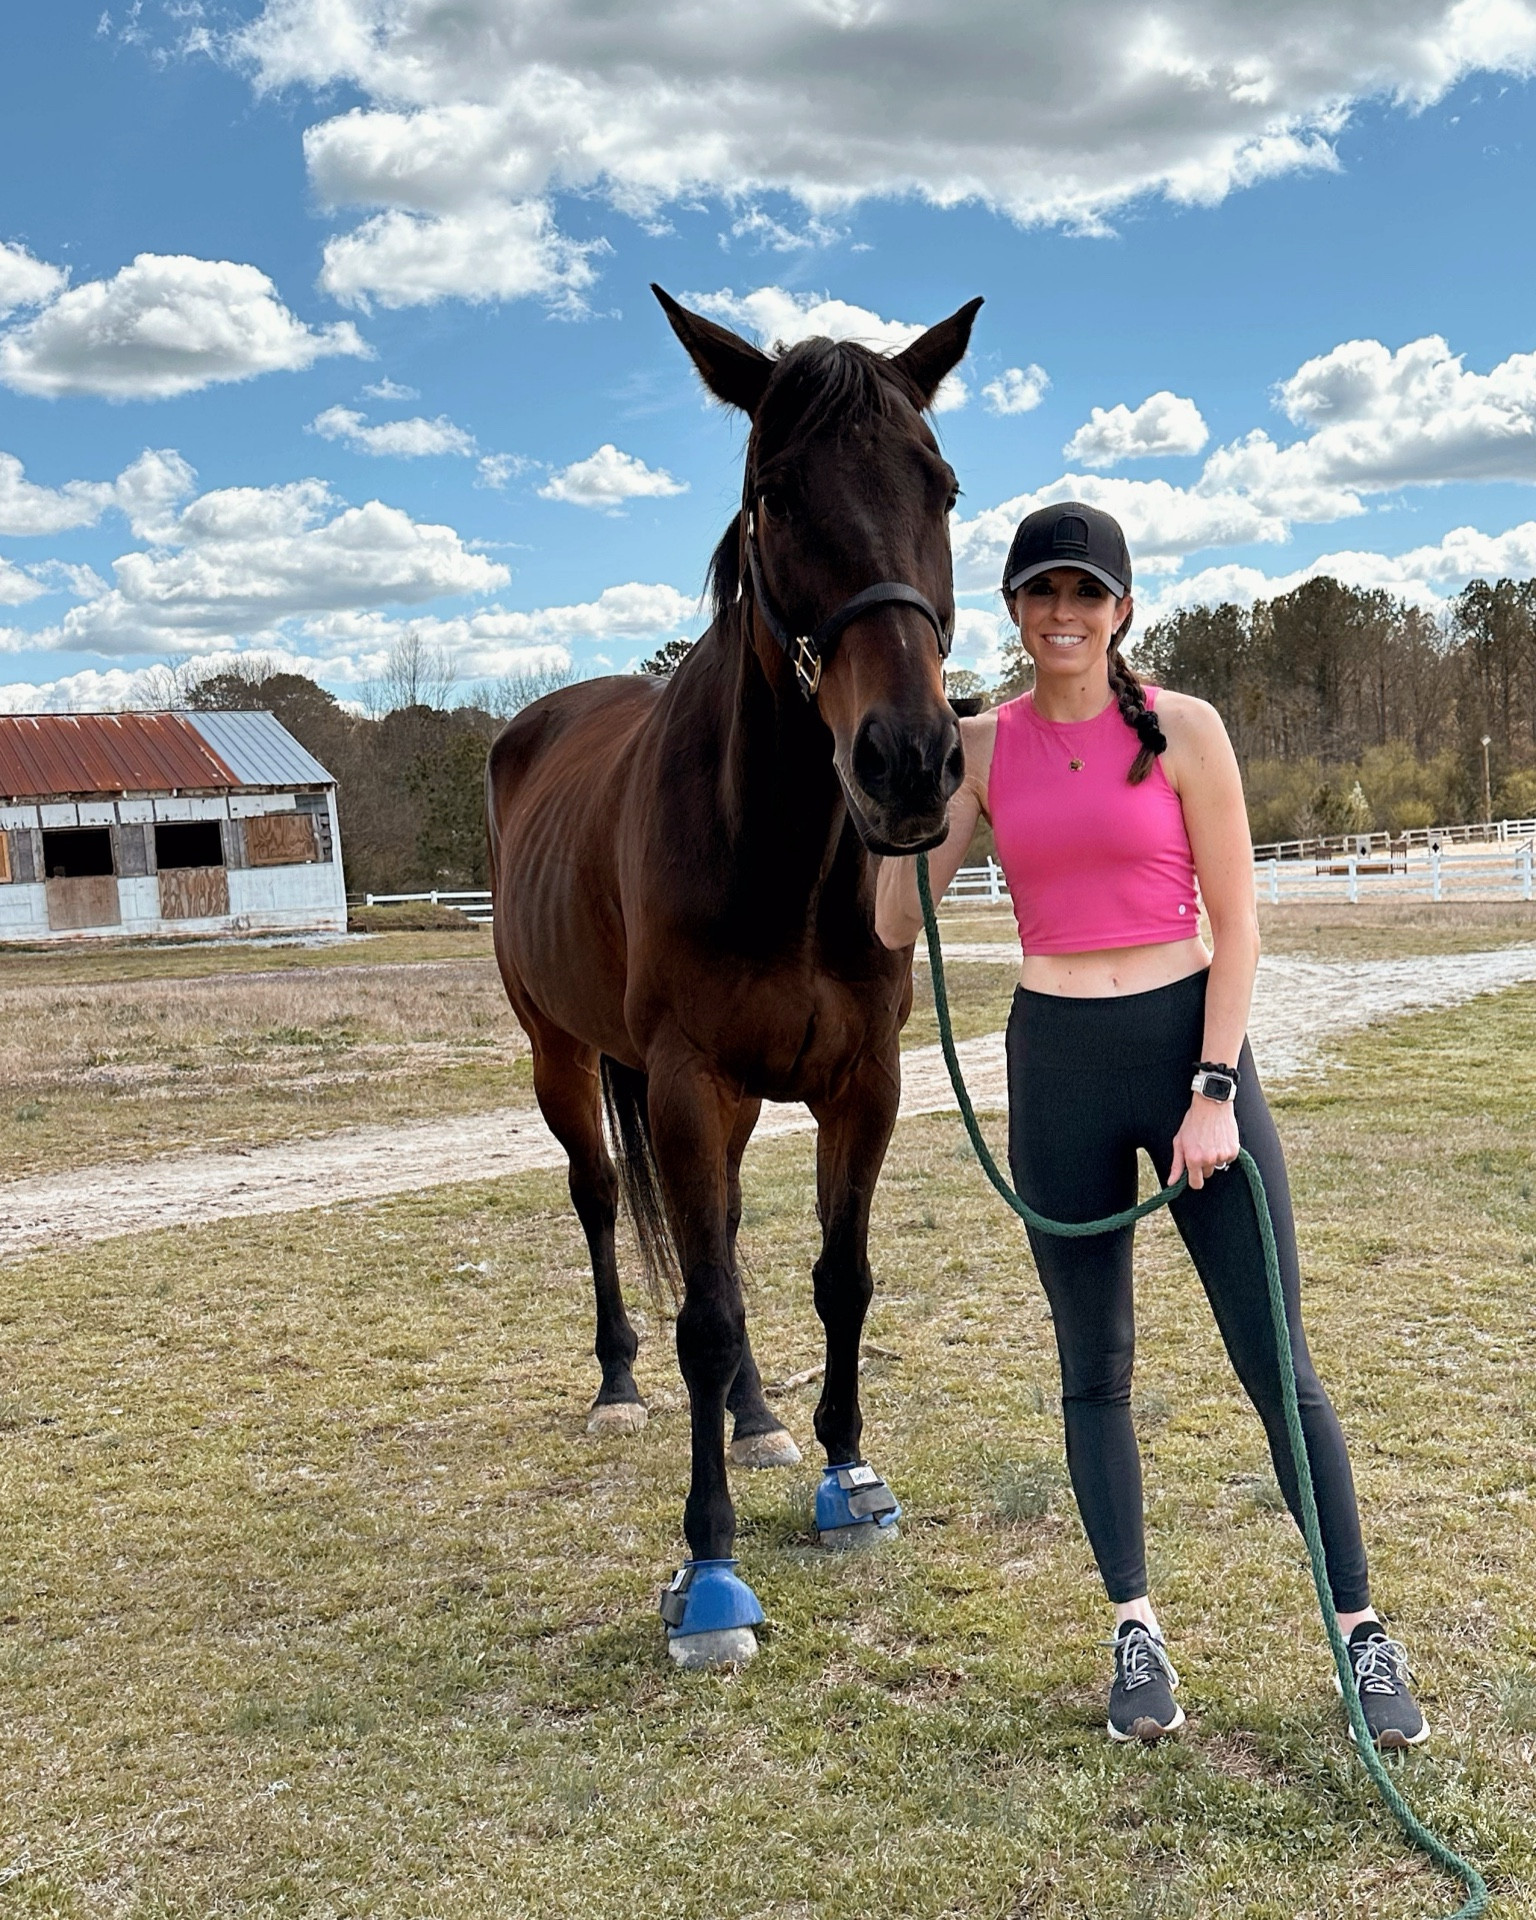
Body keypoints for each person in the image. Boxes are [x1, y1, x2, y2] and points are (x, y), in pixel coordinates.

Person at [875, 502, 1427, 1749]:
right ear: (1011, 612)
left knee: (1277, 1363)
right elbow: (894, 926)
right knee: (1096, 1368)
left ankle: (1360, 1632)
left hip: (1187, 1045)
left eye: (1085, 593)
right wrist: (896, 796)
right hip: (1055, 1060)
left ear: (1122, 609)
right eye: (1038, 593)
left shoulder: (1184, 730)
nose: (1062, 615)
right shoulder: (975, 746)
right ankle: (1136, 1630)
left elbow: (1238, 927)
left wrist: (1215, 1087)